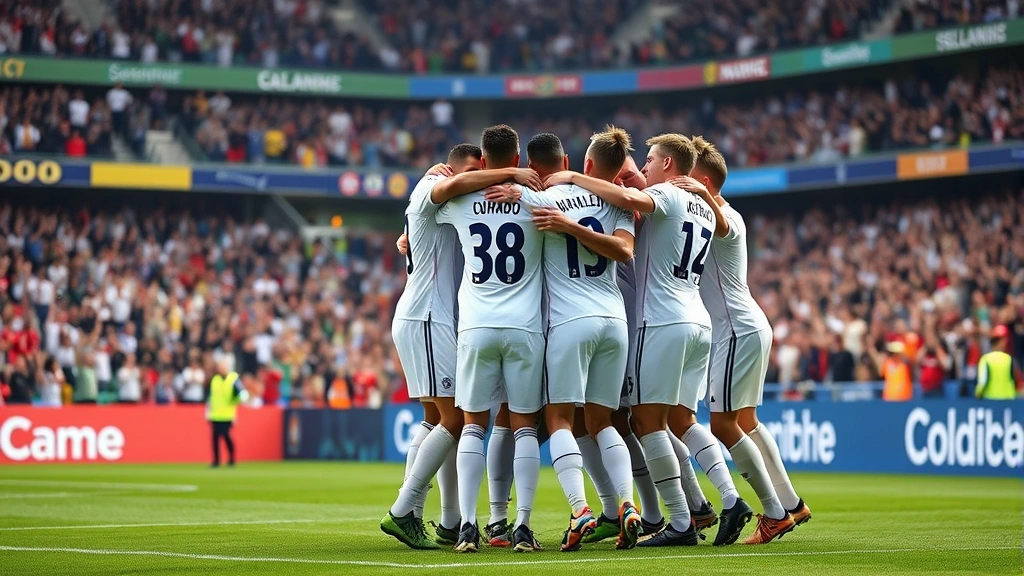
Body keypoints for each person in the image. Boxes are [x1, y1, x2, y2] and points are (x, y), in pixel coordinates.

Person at [547, 133, 714, 547]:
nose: (633, 179)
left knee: (638, 422)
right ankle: (644, 509)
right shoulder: (629, 201)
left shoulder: (636, 202)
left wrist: (575, 179)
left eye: (642, 169)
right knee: (627, 423)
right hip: (626, 323)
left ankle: (674, 509)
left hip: (637, 323)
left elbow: (633, 201)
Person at [382, 143, 541, 550]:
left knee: (435, 419)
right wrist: (510, 176)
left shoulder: (455, 201)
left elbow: (423, 228)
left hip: (430, 316)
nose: (469, 181)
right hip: (429, 316)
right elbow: (447, 192)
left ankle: (444, 518)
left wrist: (406, 237)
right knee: (456, 420)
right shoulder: (435, 185)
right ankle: (404, 509)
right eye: (467, 173)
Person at [673, 136, 807, 545]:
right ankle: (791, 503)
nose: (684, 184)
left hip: (735, 329)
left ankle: (773, 513)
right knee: (746, 422)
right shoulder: (709, 214)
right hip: (745, 325)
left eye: (691, 179)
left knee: (723, 424)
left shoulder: (725, 215)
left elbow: (722, 224)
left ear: (708, 182)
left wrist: (703, 196)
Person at [514, 130, 639, 550]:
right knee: (602, 422)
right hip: (614, 322)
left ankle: (581, 508)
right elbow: (624, 251)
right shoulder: (618, 200)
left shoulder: (545, 199)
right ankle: (626, 504)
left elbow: (505, 198)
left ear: (585, 164)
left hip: (571, 322)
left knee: (559, 420)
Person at [436, 125, 548, 553]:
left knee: (472, 427)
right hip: (524, 327)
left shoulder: (461, 198)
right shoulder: (536, 199)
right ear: (518, 158)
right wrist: (522, 180)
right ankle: (520, 527)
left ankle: (467, 525)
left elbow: (436, 195)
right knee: (523, 427)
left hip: (477, 326)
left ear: (482, 160)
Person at [206, 359, 250, 467]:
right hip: (215, 414)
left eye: (223, 367)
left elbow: (243, 394)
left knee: (226, 436)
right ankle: (216, 461)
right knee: (215, 438)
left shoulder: (233, 379)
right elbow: (211, 397)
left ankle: (231, 457)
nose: (221, 369)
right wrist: (207, 412)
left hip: (227, 414)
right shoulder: (215, 380)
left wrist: (236, 401)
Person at [975, 325, 1020, 399]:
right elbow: (1014, 380)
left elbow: (982, 381)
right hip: (1008, 400)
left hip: (990, 400)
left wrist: (978, 394)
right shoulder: (1008, 359)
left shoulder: (985, 359)